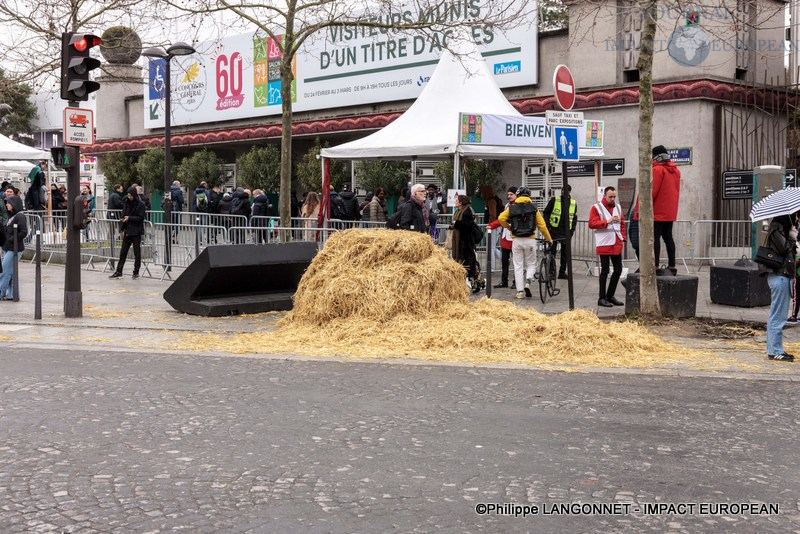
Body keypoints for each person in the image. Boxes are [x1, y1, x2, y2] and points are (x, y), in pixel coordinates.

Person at [497, 187, 552, 299]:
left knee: (518, 266)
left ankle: (520, 291)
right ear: (528, 196)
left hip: (516, 240)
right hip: (530, 240)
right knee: (531, 263)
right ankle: (528, 282)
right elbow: (542, 225)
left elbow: (501, 218)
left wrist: (509, 227)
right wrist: (548, 238)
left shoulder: (512, 208)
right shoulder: (533, 209)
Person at [759, 214, 797, 361]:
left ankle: (776, 349)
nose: (797, 220)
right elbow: (784, 249)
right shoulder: (777, 228)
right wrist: (793, 237)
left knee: (778, 314)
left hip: (782, 276)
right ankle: (775, 351)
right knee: (778, 315)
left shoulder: (781, 228)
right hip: (779, 275)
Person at [589, 186, 627, 307]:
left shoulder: (618, 207)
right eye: (610, 196)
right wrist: (607, 221)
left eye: (614, 196)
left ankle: (610, 295)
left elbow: (622, 223)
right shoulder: (596, 207)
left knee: (618, 270)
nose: (612, 199)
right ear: (604, 196)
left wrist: (623, 237)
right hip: (604, 242)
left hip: (616, 242)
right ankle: (601, 298)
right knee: (604, 271)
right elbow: (592, 224)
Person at [650, 145, 681, 273]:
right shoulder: (675, 171)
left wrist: (644, 206)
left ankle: (655, 265)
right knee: (668, 237)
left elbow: (653, 191)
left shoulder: (657, 169)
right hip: (670, 211)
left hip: (658, 209)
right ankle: (672, 265)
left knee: (655, 237)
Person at [450, 194, 485, 293]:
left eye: (457, 200)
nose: (455, 202)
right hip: (460, 241)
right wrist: (453, 225)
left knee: (469, 263)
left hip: (466, 242)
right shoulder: (458, 211)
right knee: (464, 262)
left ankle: (476, 282)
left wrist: (456, 224)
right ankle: (474, 282)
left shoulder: (467, 211)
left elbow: (468, 225)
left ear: (461, 202)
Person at [109, 187, 146, 280]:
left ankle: (136, 272)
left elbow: (141, 218)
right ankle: (119, 271)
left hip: (136, 231)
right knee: (123, 252)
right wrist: (123, 219)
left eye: (130, 195)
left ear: (134, 195)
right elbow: (123, 213)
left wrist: (129, 218)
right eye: (128, 195)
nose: (129, 197)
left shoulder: (140, 204)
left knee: (137, 253)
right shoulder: (126, 203)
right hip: (127, 230)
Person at [543, 184, 578, 279]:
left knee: (565, 254)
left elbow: (574, 218)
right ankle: (551, 272)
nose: (563, 192)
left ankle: (562, 272)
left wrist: (572, 231)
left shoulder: (573, 203)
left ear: (569, 192)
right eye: (562, 190)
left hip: (566, 232)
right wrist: (548, 227)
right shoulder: (554, 200)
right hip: (553, 230)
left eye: (565, 191)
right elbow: (546, 213)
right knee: (552, 252)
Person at [486, 187, 517, 288]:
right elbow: (501, 219)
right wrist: (491, 225)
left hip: (515, 237)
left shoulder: (519, 206)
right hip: (506, 236)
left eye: (511, 194)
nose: (509, 196)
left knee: (517, 263)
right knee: (504, 262)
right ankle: (504, 281)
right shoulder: (507, 205)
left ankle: (516, 282)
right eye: (508, 195)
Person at [0, 195, 27, 300]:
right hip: (8, 248)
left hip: (14, 248)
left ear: (14, 204)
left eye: (8, 203)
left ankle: (1, 292)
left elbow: (24, 232)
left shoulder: (20, 216)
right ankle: (12, 294)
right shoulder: (11, 216)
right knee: (10, 273)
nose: (6, 205)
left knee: (5, 271)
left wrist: (11, 239)